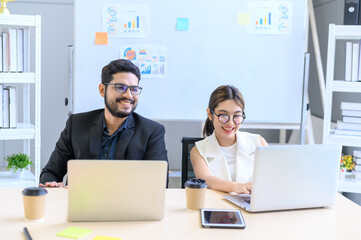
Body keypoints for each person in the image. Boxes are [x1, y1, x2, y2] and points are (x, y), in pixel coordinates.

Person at [39, 59, 168, 187]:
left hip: (127, 206)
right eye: (120, 87)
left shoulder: (152, 131)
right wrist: (52, 185)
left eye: (134, 89)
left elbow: (159, 183)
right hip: (82, 204)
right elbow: (50, 172)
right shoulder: (76, 125)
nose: (129, 95)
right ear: (102, 90)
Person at [190, 85, 268, 194]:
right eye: (223, 115)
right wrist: (237, 187)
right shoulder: (198, 150)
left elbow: (272, 177)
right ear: (210, 114)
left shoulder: (258, 142)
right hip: (216, 207)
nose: (230, 123)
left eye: (236, 116)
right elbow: (207, 179)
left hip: (252, 207)